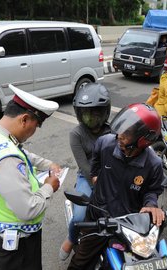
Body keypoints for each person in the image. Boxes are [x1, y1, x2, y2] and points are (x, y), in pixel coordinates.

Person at [68, 103, 165, 270]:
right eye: (120, 132)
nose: (119, 137)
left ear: (143, 140)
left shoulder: (154, 164)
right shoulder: (105, 143)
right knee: (80, 262)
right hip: (98, 218)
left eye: (126, 136)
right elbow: (95, 162)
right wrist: (96, 176)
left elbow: (153, 190)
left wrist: (151, 205)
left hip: (129, 223)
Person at [0, 85, 61, 270]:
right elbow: (29, 210)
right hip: (18, 244)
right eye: (36, 126)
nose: (35, 131)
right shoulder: (6, 159)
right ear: (24, 119)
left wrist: (47, 165)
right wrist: (49, 186)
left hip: (1, 230)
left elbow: (20, 152)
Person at [59, 83, 112, 260]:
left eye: (95, 112)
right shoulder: (76, 134)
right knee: (81, 215)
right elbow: (84, 165)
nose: (90, 117)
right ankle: (71, 238)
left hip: (110, 175)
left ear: (105, 111)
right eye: (85, 112)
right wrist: (98, 186)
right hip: (88, 176)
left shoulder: (112, 131)